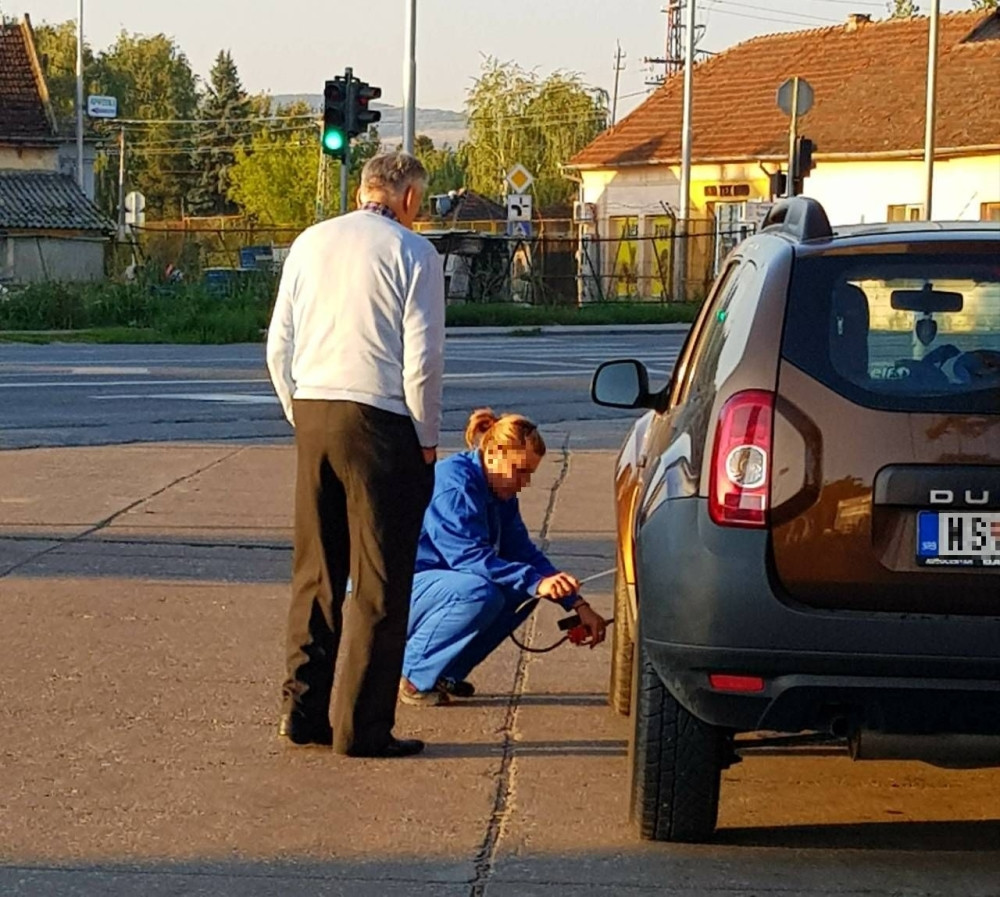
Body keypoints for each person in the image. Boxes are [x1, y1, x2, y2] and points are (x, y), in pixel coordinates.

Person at [266, 152, 445, 757]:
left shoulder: (309, 242)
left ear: (364, 188)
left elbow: (278, 344)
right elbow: (422, 361)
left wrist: (300, 412)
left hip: (314, 411)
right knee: (379, 581)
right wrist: (425, 439)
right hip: (381, 419)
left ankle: (302, 710)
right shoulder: (414, 253)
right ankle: (361, 727)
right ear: (410, 199)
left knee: (316, 572)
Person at [399, 409, 607, 705]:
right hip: (398, 587)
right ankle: (414, 674)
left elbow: (523, 552)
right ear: (493, 454)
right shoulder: (455, 485)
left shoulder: (499, 488)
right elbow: (469, 558)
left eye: (530, 473)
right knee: (479, 593)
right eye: (520, 471)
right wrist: (536, 582)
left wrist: (576, 603)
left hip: (438, 585)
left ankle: (445, 673)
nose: (525, 482)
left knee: (520, 591)